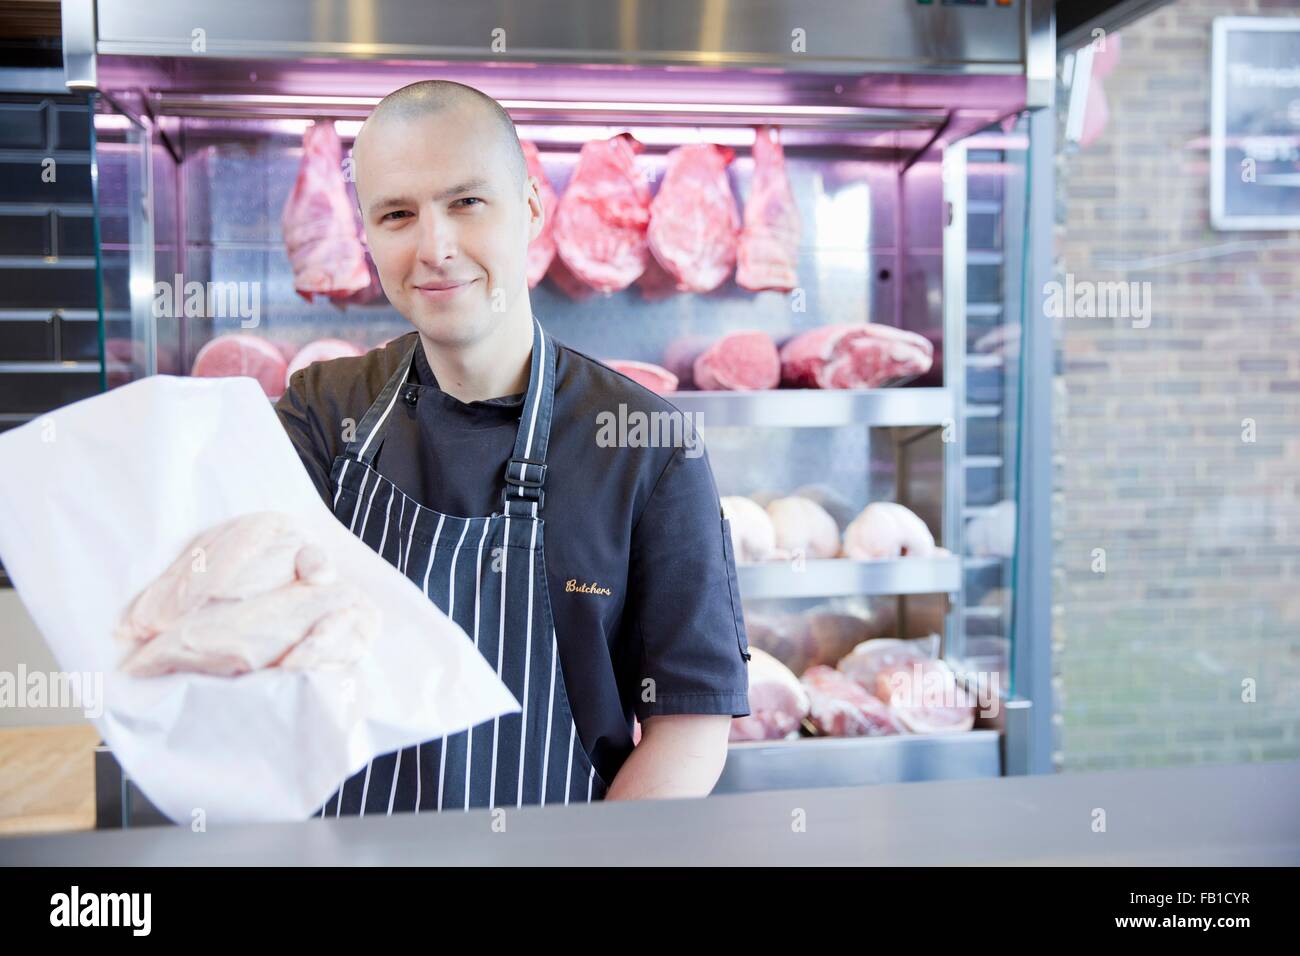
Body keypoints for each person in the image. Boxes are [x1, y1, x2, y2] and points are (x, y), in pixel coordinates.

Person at [275, 80, 751, 815]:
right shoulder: (318, 412)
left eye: (467, 202)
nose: (434, 248)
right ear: (368, 236)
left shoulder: (649, 447)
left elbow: (688, 730)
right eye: (397, 214)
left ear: (531, 208)